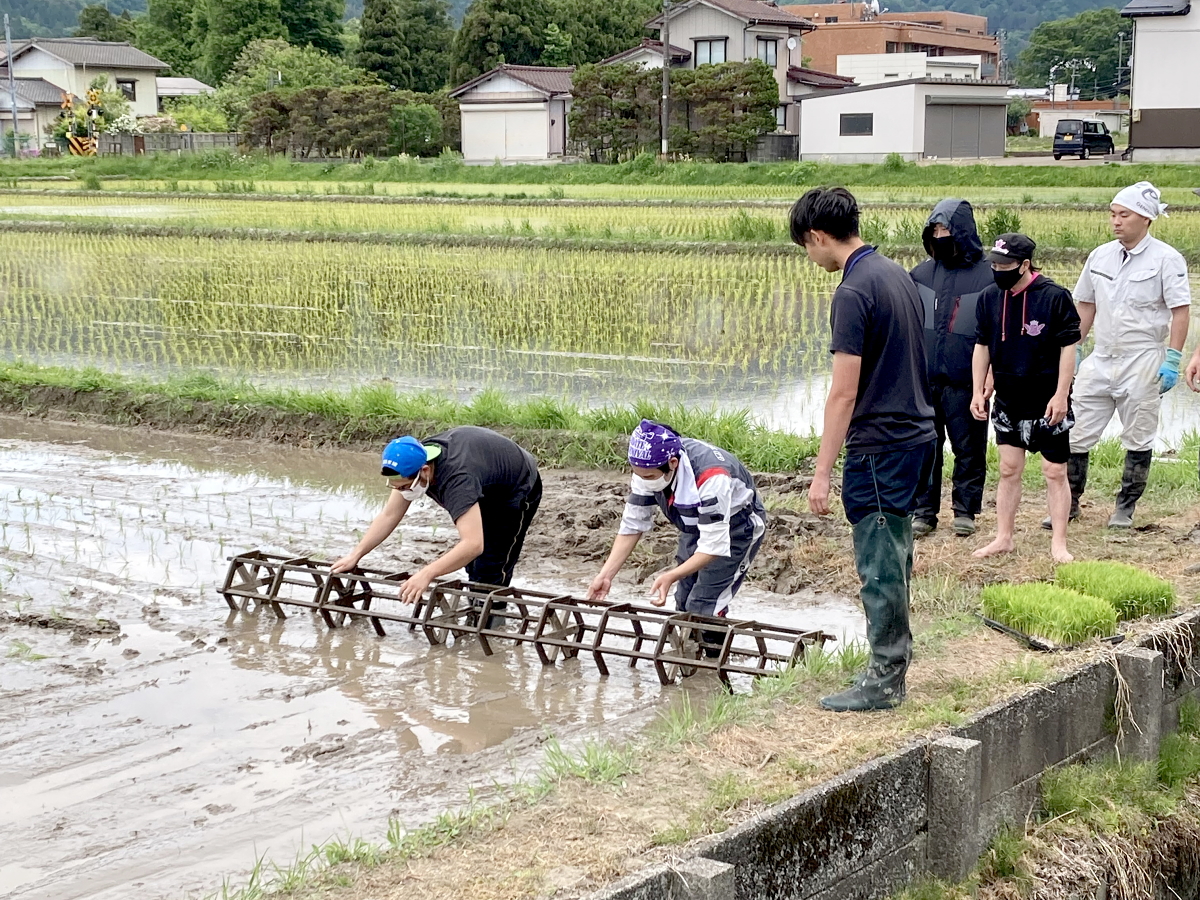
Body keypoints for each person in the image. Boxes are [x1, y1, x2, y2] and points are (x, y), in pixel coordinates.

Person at [791, 186, 936, 713]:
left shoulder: (852, 292)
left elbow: (844, 390)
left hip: (880, 443)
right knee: (895, 553)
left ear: (818, 236)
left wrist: (823, 471)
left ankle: (884, 679)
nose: (811, 258)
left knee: (878, 560)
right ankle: (892, 661)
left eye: (806, 247)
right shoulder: (895, 273)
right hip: (917, 434)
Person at [1058, 181, 1191, 529]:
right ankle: (1068, 503)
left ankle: (1125, 508)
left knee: (1138, 433)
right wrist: (1076, 345)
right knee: (1076, 431)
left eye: (1124, 215)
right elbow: (1086, 304)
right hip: (1102, 356)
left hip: (1143, 358)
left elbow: (1180, 310)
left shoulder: (1166, 259)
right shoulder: (1100, 256)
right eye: (1113, 215)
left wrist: (1173, 358)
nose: (1116, 222)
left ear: (1146, 218)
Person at [332, 427, 542, 606]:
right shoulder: (413, 459)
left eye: (405, 487)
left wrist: (426, 574)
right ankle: (476, 606)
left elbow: (473, 544)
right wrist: (356, 554)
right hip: (482, 474)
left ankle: (493, 621)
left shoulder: (457, 480)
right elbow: (389, 515)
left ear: (424, 470)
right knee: (472, 565)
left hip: (515, 488)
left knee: (491, 564)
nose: (403, 492)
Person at [587, 420, 766, 624]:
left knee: (704, 606)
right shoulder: (647, 470)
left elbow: (714, 545)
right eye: (638, 475)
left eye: (649, 476)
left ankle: (711, 654)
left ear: (673, 463)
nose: (644, 481)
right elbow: (632, 525)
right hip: (695, 524)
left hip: (736, 527)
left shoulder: (711, 478)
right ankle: (689, 648)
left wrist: (671, 575)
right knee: (682, 603)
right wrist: (606, 575)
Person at [970, 233, 1080, 564]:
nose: (997, 270)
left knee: (1054, 471)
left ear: (1025, 265)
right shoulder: (989, 298)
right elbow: (982, 345)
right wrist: (979, 388)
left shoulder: (1055, 297)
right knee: (1008, 468)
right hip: (1008, 399)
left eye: (1004, 266)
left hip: (1047, 400)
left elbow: (1069, 348)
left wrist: (1062, 394)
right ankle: (1004, 537)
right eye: (994, 264)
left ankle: (1058, 543)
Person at [909, 199, 995, 538]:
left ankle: (965, 511)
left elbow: (997, 331)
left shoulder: (989, 276)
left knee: (969, 448)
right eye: (935, 230)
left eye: (946, 229)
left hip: (967, 381)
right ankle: (924, 511)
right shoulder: (920, 274)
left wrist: (990, 377)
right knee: (925, 448)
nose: (940, 235)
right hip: (924, 379)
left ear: (962, 232)